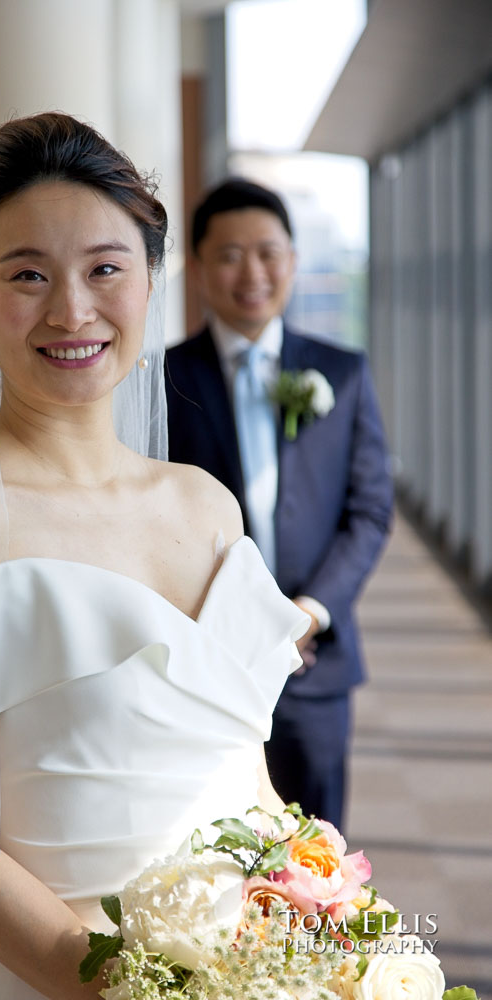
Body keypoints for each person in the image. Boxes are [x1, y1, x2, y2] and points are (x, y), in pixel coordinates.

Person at [0, 116, 308, 999]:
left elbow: (245, 772)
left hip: (258, 966)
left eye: (105, 268)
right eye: (27, 275)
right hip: (71, 975)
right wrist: (136, 989)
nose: (71, 310)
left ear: (150, 280)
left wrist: (314, 925)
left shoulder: (203, 503)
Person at [165, 178, 393, 832]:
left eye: (267, 252)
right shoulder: (162, 382)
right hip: (206, 663)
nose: (252, 271)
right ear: (200, 268)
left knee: (317, 851)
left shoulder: (342, 373)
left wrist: (309, 612)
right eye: (230, 254)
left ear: (292, 261)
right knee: (213, 845)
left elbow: (369, 510)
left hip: (314, 663)